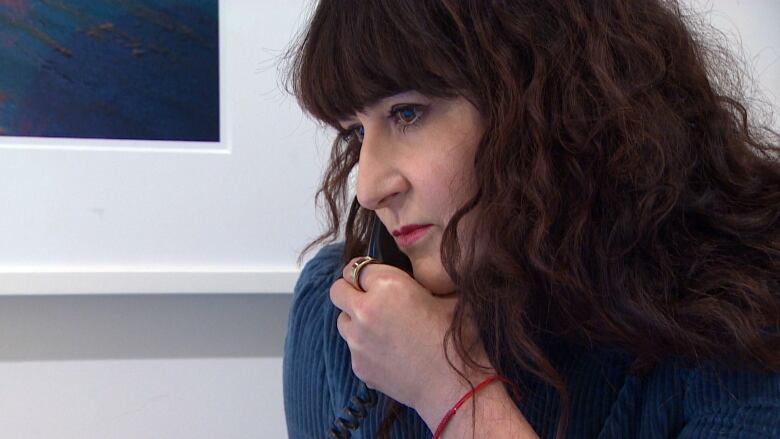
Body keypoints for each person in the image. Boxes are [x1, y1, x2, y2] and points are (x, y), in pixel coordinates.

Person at [282, 0, 780, 437]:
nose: (368, 189)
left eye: (407, 113)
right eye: (353, 135)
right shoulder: (346, 317)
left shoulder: (740, 317)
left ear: (553, 100)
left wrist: (453, 393)